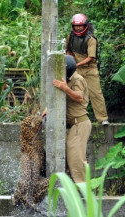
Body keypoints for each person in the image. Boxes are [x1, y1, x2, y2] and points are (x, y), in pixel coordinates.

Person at [45, 55, 92, 183]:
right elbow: (61, 100)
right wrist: (48, 110)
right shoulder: (65, 80)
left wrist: (65, 88)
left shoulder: (77, 79)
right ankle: (70, 190)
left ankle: (84, 191)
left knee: (76, 159)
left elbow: (79, 97)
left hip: (79, 124)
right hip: (70, 126)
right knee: (64, 158)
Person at [65, 13, 109, 126]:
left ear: (85, 26)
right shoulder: (71, 36)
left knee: (96, 94)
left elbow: (91, 57)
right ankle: (76, 119)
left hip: (90, 69)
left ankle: (103, 118)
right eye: (76, 26)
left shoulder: (91, 39)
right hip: (76, 68)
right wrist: (70, 59)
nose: (78, 28)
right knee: (76, 94)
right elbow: (68, 50)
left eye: (80, 26)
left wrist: (76, 64)